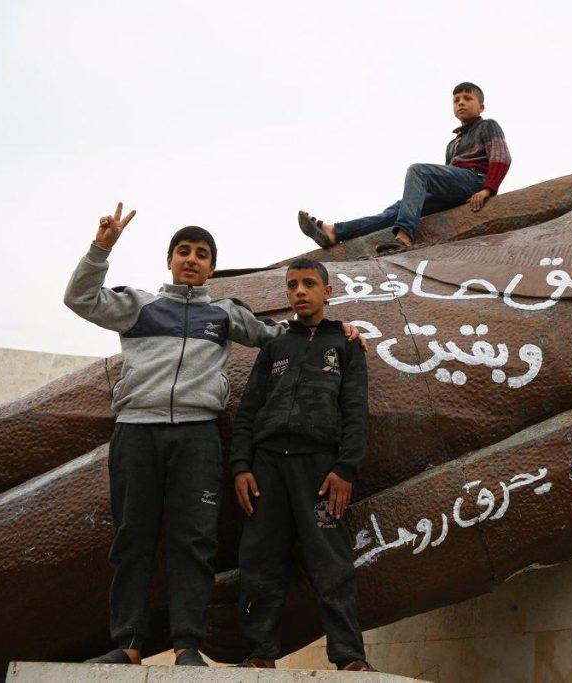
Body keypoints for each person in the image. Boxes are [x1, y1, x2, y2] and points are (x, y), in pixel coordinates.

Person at [63, 204, 364, 667]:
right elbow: (79, 299)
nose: (192, 259)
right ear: (169, 260)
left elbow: (284, 335)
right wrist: (101, 247)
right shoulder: (138, 307)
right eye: (183, 251)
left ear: (212, 267)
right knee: (132, 539)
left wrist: (338, 330)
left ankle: (188, 645)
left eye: (202, 254)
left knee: (194, 543)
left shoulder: (224, 315)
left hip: (198, 436)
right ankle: (128, 643)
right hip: (137, 431)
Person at [229, 257, 374, 671]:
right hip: (267, 468)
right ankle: (260, 654)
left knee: (332, 562)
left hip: (321, 469)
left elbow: (355, 410)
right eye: (292, 284)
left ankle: (349, 658)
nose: (299, 291)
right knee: (260, 560)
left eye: (309, 283)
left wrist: (346, 468)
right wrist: (241, 465)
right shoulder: (275, 345)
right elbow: (248, 411)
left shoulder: (346, 343)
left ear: (327, 291)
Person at [298, 81, 512, 254]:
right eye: (456, 100)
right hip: (457, 188)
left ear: (481, 106)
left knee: (418, 171)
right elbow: (448, 176)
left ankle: (405, 236)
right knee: (400, 208)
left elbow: (501, 157)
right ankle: (336, 232)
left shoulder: (487, 125)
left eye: (468, 98)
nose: (461, 103)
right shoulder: (453, 143)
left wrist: (487, 189)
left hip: (474, 179)